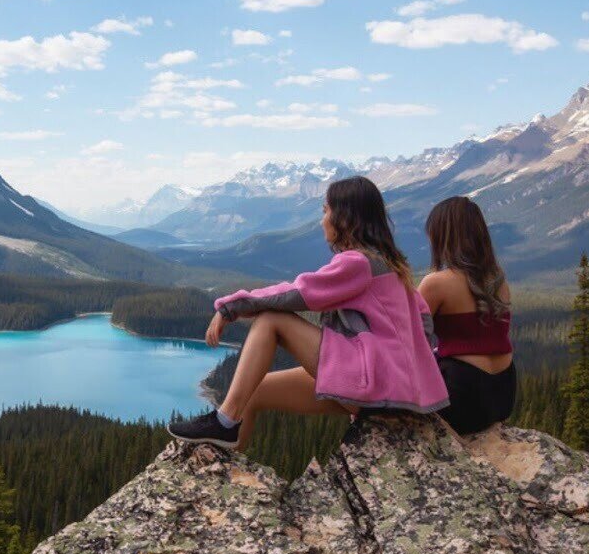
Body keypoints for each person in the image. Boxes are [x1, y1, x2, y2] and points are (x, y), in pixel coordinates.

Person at [168, 176, 446, 450]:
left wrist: (231, 308)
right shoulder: (393, 266)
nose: (322, 220)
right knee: (253, 389)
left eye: (326, 211)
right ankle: (226, 449)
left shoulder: (358, 262)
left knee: (271, 319)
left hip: (375, 387)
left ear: (345, 218)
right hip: (389, 393)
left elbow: (297, 293)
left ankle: (223, 423)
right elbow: (425, 326)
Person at [418, 196, 516, 435]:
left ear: (443, 236)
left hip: (462, 396)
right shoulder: (499, 281)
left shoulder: (436, 283)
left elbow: (406, 338)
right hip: (504, 394)